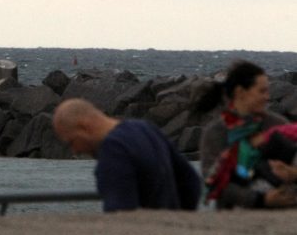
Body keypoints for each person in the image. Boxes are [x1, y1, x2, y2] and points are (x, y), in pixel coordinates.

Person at [52, 98, 201, 212]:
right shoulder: (144, 128)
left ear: (84, 126)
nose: (75, 151)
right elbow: (191, 182)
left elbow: (120, 214)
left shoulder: (113, 151)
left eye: (71, 142)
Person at [197, 60, 297, 209]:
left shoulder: (277, 124)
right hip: (235, 220)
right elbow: (214, 181)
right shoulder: (217, 132)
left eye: (268, 91)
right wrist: (261, 200)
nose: (267, 97)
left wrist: (292, 174)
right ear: (240, 92)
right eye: (262, 91)